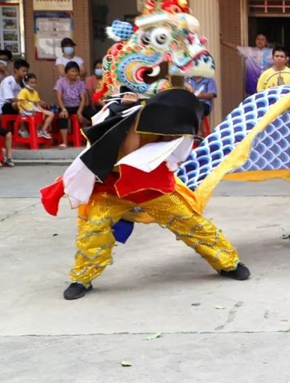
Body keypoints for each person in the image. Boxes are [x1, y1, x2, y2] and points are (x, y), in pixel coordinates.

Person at [39, 88, 250, 300]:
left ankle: (228, 263)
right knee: (93, 228)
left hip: (152, 187)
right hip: (113, 188)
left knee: (189, 222)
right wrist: (127, 112)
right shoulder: (109, 113)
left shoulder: (162, 117)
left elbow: (172, 141)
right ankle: (81, 278)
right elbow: (109, 144)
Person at [54, 61, 92, 149]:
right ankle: (64, 142)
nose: (74, 73)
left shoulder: (80, 83)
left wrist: (79, 112)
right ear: (67, 72)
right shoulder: (60, 82)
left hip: (77, 106)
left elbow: (82, 99)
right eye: (72, 71)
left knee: (92, 114)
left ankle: (89, 139)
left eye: (76, 71)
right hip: (65, 106)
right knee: (63, 117)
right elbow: (59, 97)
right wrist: (63, 109)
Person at [17, 73, 54, 140]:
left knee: (50, 114)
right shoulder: (23, 91)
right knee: (38, 115)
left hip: (34, 108)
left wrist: (42, 110)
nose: (34, 85)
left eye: (35, 83)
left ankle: (42, 130)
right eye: (32, 83)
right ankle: (35, 132)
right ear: (26, 82)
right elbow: (21, 104)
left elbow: (37, 104)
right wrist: (28, 110)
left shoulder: (35, 92)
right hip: (25, 110)